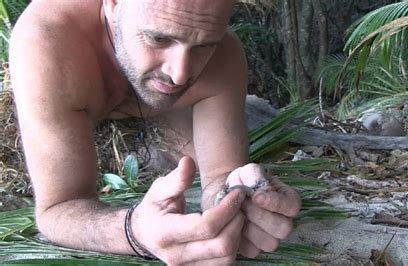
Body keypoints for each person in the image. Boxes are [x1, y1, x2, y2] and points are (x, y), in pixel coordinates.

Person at [9, 0, 301, 264]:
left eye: (203, 46)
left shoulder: (223, 55)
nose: (180, 74)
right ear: (112, 4)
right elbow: (57, 208)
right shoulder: (48, 40)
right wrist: (134, 232)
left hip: (167, 115)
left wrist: (241, 198)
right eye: (158, 38)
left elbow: (219, 179)